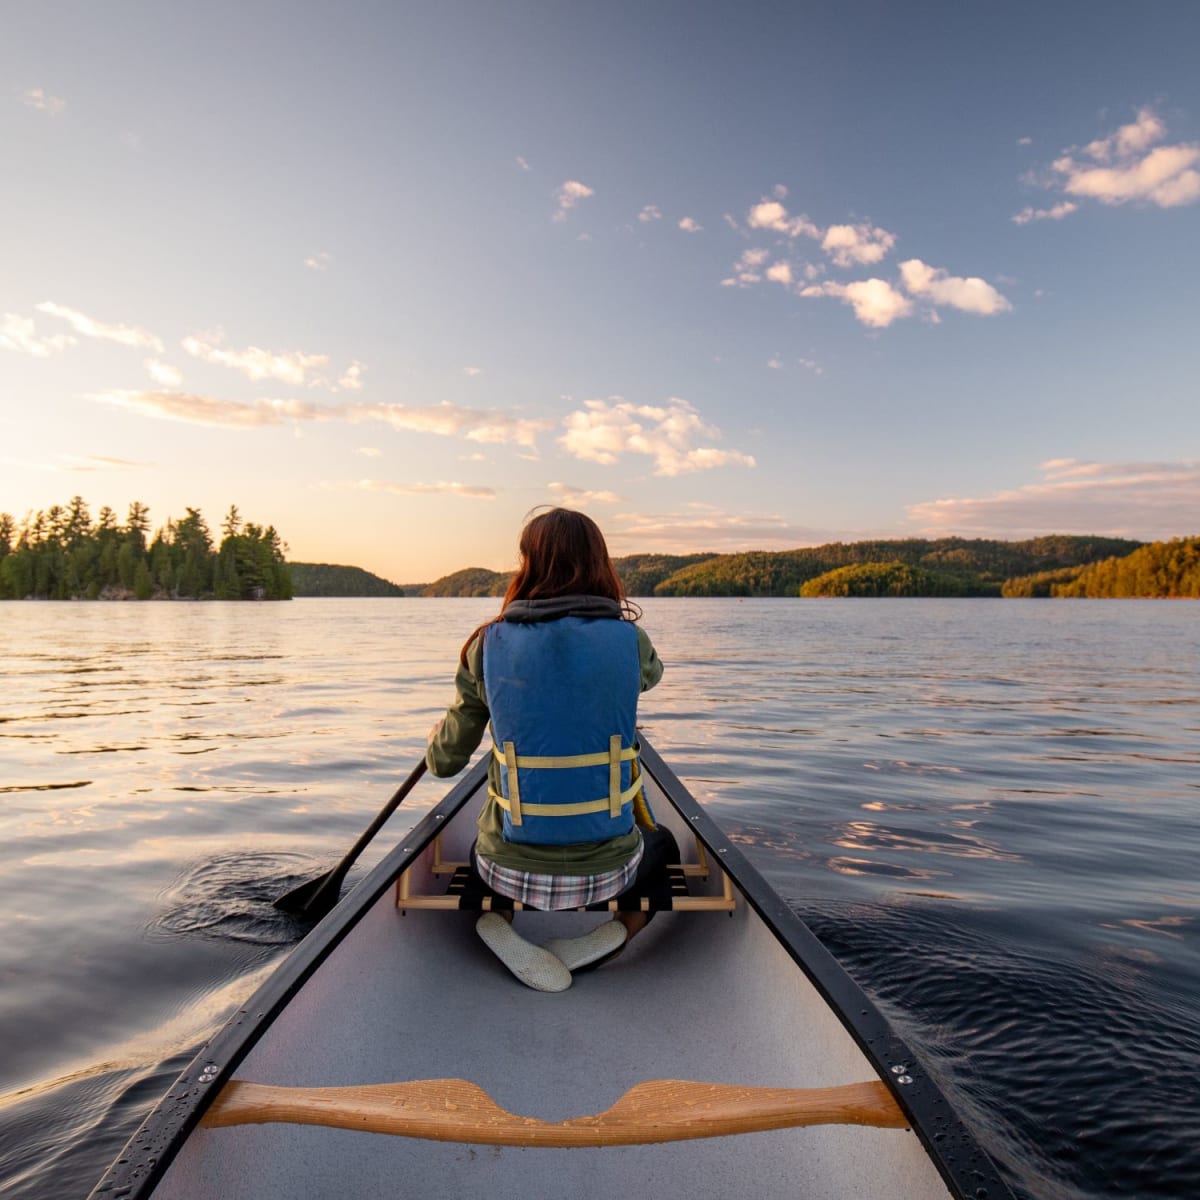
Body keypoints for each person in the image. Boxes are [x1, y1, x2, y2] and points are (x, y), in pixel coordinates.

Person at [425, 507, 676, 992]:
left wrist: (436, 738)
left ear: (527, 565)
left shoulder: (484, 645)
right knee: (662, 844)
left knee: (481, 843)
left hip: (506, 872)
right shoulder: (631, 641)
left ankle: (491, 919)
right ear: (601, 563)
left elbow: (445, 762)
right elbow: (653, 675)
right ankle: (618, 930)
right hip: (611, 874)